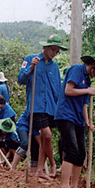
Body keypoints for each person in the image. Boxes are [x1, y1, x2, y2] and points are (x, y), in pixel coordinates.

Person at [55, 53, 95, 188]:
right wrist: (87, 91)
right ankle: (64, 187)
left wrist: (87, 121)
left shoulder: (87, 80)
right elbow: (68, 90)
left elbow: (84, 104)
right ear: (93, 66)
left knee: (81, 153)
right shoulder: (77, 70)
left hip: (78, 118)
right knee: (71, 149)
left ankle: (75, 186)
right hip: (66, 115)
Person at [18, 34, 68, 179]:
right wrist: (32, 68)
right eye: (53, 49)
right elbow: (21, 79)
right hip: (37, 106)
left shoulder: (55, 66)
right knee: (46, 135)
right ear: (45, 47)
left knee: (45, 138)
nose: (55, 53)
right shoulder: (30, 59)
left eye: (57, 51)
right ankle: (52, 164)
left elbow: (57, 89)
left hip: (52, 107)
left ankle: (40, 170)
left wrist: (60, 108)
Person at [11, 108, 40, 172]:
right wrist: (41, 145)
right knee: (25, 144)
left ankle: (33, 172)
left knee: (36, 149)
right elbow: (35, 132)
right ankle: (12, 168)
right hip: (23, 125)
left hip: (34, 129)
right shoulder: (37, 109)